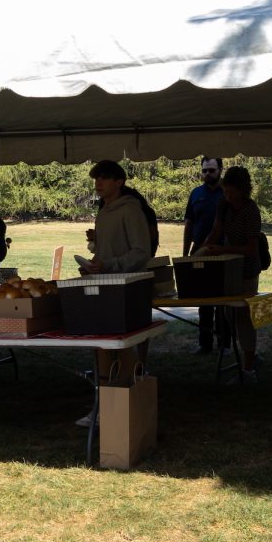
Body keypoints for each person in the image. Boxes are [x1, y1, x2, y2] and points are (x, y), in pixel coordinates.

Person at [76, 159, 153, 427]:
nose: (98, 183)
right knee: (101, 346)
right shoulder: (104, 209)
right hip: (103, 287)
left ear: (119, 182)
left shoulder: (131, 210)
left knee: (122, 347)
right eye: (96, 178)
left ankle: (124, 407)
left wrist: (108, 264)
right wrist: (93, 265)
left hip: (125, 289)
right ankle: (103, 405)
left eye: (104, 178)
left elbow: (142, 252)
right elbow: (106, 252)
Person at [201, 165, 264, 383]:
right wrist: (202, 250)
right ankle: (249, 355)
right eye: (225, 191)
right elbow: (217, 230)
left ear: (244, 190)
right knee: (229, 315)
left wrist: (222, 250)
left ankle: (248, 370)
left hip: (247, 271)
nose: (228, 196)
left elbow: (251, 249)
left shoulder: (251, 210)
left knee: (243, 317)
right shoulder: (223, 205)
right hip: (228, 269)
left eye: (232, 192)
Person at [183, 156, 228, 354]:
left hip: (223, 252)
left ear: (220, 170)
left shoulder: (228, 193)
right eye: (204, 171)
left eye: (211, 170)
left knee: (224, 302)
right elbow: (189, 224)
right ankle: (205, 344)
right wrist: (185, 253)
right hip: (198, 251)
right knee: (204, 301)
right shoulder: (195, 193)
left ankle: (225, 344)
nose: (207, 174)